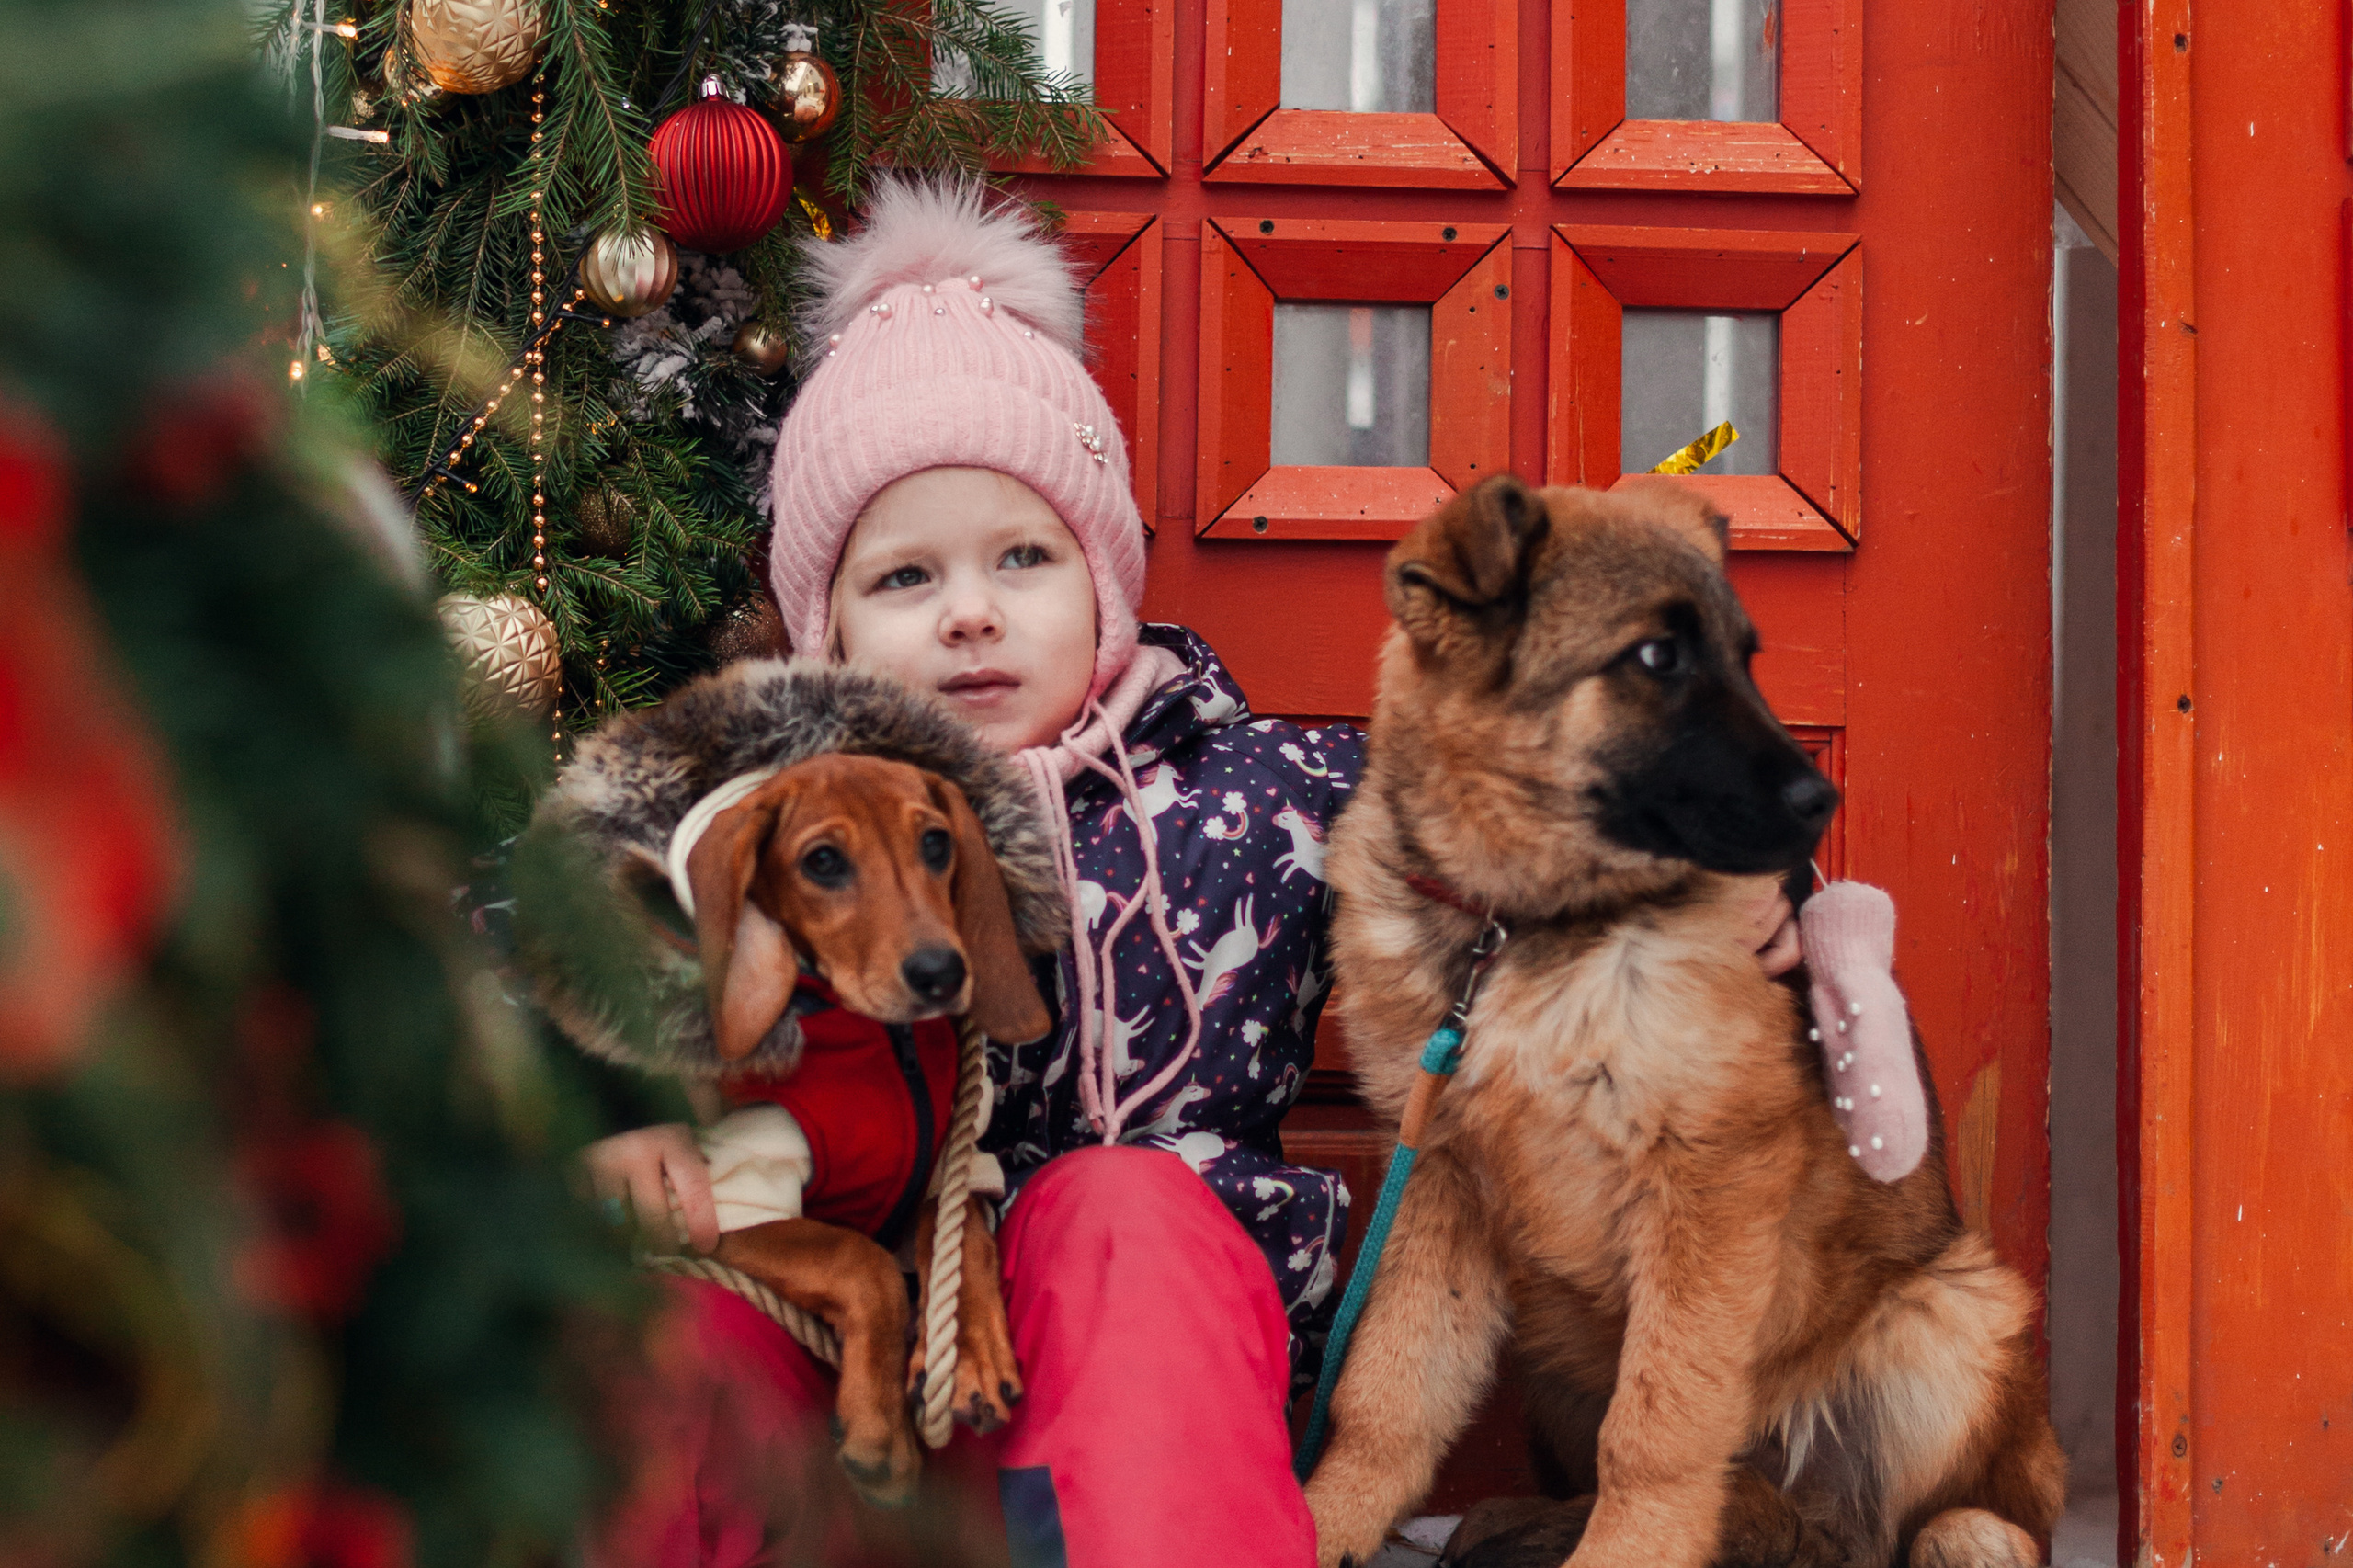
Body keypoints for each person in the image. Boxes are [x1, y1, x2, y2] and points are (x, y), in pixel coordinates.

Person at [574, 178, 1820, 1568]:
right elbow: (530, 924)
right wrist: (610, 1108)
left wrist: (1780, 891)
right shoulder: (756, 806)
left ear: (1105, 581)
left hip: (1137, 1401)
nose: (972, 608)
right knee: (664, 1325)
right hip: (853, 1385)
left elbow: (1515, 803)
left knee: (1124, 1202)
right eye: (905, 579)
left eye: (1023, 557)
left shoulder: (1264, 786)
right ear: (829, 626)